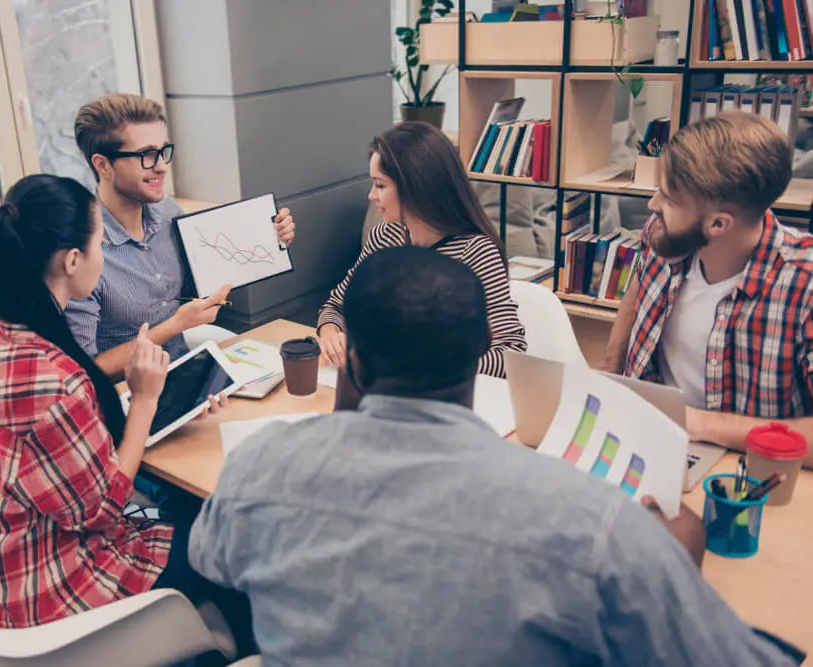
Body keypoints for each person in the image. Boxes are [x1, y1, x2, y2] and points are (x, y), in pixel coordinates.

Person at [188, 246, 800, 666]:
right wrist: (677, 565)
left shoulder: (258, 466)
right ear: (482, 350)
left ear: (354, 363)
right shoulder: (595, 526)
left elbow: (211, 558)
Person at [0, 175, 253, 652]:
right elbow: (103, 507)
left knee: (196, 515)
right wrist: (145, 402)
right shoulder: (54, 384)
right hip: (60, 589)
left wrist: (162, 404)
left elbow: (66, 450)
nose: (105, 256)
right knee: (237, 539)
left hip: (12, 560)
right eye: (100, 243)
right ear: (72, 260)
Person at [602, 112, 813, 466]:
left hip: (748, 474)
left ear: (718, 224)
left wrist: (702, 424)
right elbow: (638, 287)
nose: (653, 205)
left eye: (668, 198)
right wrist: (610, 370)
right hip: (645, 446)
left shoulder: (803, 284)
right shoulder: (664, 234)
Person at [66, 93, 296, 378]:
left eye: (164, 151)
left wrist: (268, 238)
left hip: (184, 370)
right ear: (102, 165)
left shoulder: (167, 211)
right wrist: (175, 325)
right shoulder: (81, 253)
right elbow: (85, 371)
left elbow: (201, 284)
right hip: (127, 396)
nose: (162, 166)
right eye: (146, 155)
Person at [316, 121, 525, 377]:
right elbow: (336, 306)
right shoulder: (386, 236)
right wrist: (330, 334)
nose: (371, 195)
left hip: (449, 399)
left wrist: (432, 367)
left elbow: (511, 354)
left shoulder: (475, 252)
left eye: (380, 185)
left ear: (415, 186)